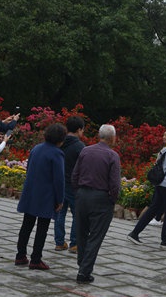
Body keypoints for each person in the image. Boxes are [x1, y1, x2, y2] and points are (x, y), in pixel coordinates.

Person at [71, 124, 121, 284]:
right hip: (101, 198)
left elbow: (75, 174)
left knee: (81, 233)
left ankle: (82, 263)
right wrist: (113, 199)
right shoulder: (112, 156)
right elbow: (115, 184)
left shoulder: (85, 151)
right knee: (96, 236)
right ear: (112, 138)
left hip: (82, 195)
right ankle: (84, 272)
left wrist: (78, 192)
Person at [15, 122, 67, 271]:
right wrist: (60, 199)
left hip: (31, 191)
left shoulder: (36, 148)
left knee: (26, 225)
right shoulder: (57, 154)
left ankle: (20, 255)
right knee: (42, 228)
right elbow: (59, 179)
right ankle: (36, 259)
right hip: (46, 195)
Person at [127, 126, 166, 249]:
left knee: (153, 209)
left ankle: (135, 233)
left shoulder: (165, 149)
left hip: (161, 184)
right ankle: (164, 241)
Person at [54, 116, 86, 252]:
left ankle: (59, 242)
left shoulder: (59, 143)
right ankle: (75, 243)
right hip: (74, 185)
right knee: (77, 215)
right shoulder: (80, 147)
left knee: (60, 213)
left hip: (59, 183)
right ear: (79, 130)